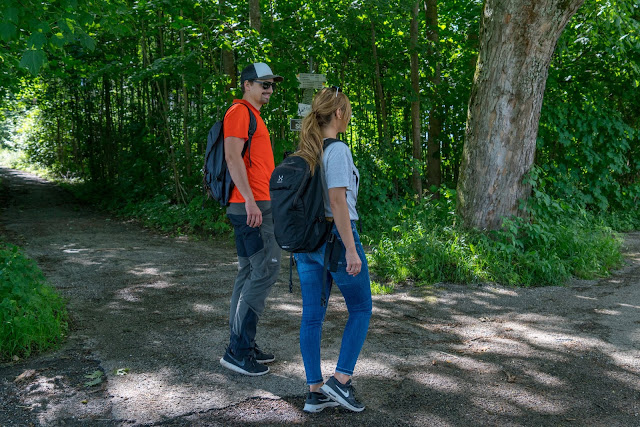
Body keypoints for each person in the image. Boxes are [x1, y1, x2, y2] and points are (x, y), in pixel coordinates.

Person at [293, 87, 372, 412]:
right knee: (361, 309)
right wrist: (351, 250)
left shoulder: (306, 150)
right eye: (348, 110)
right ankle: (340, 382)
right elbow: (337, 202)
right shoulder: (336, 150)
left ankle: (315, 391)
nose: (349, 115)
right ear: (338, 113)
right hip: (336, 240)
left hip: (307, 243)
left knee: (312, 316)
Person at [219, 63, 283, 376]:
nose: (269, 89)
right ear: (247, 84)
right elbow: (232, 157)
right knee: (266, 269)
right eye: (263, 84)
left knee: (249, 272)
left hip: (255, 204)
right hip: (251, 207)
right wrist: (249, 201)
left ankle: (242, 342)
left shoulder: (253, 116)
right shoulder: (239, 112)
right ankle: (238, 350)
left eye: (272, 85)